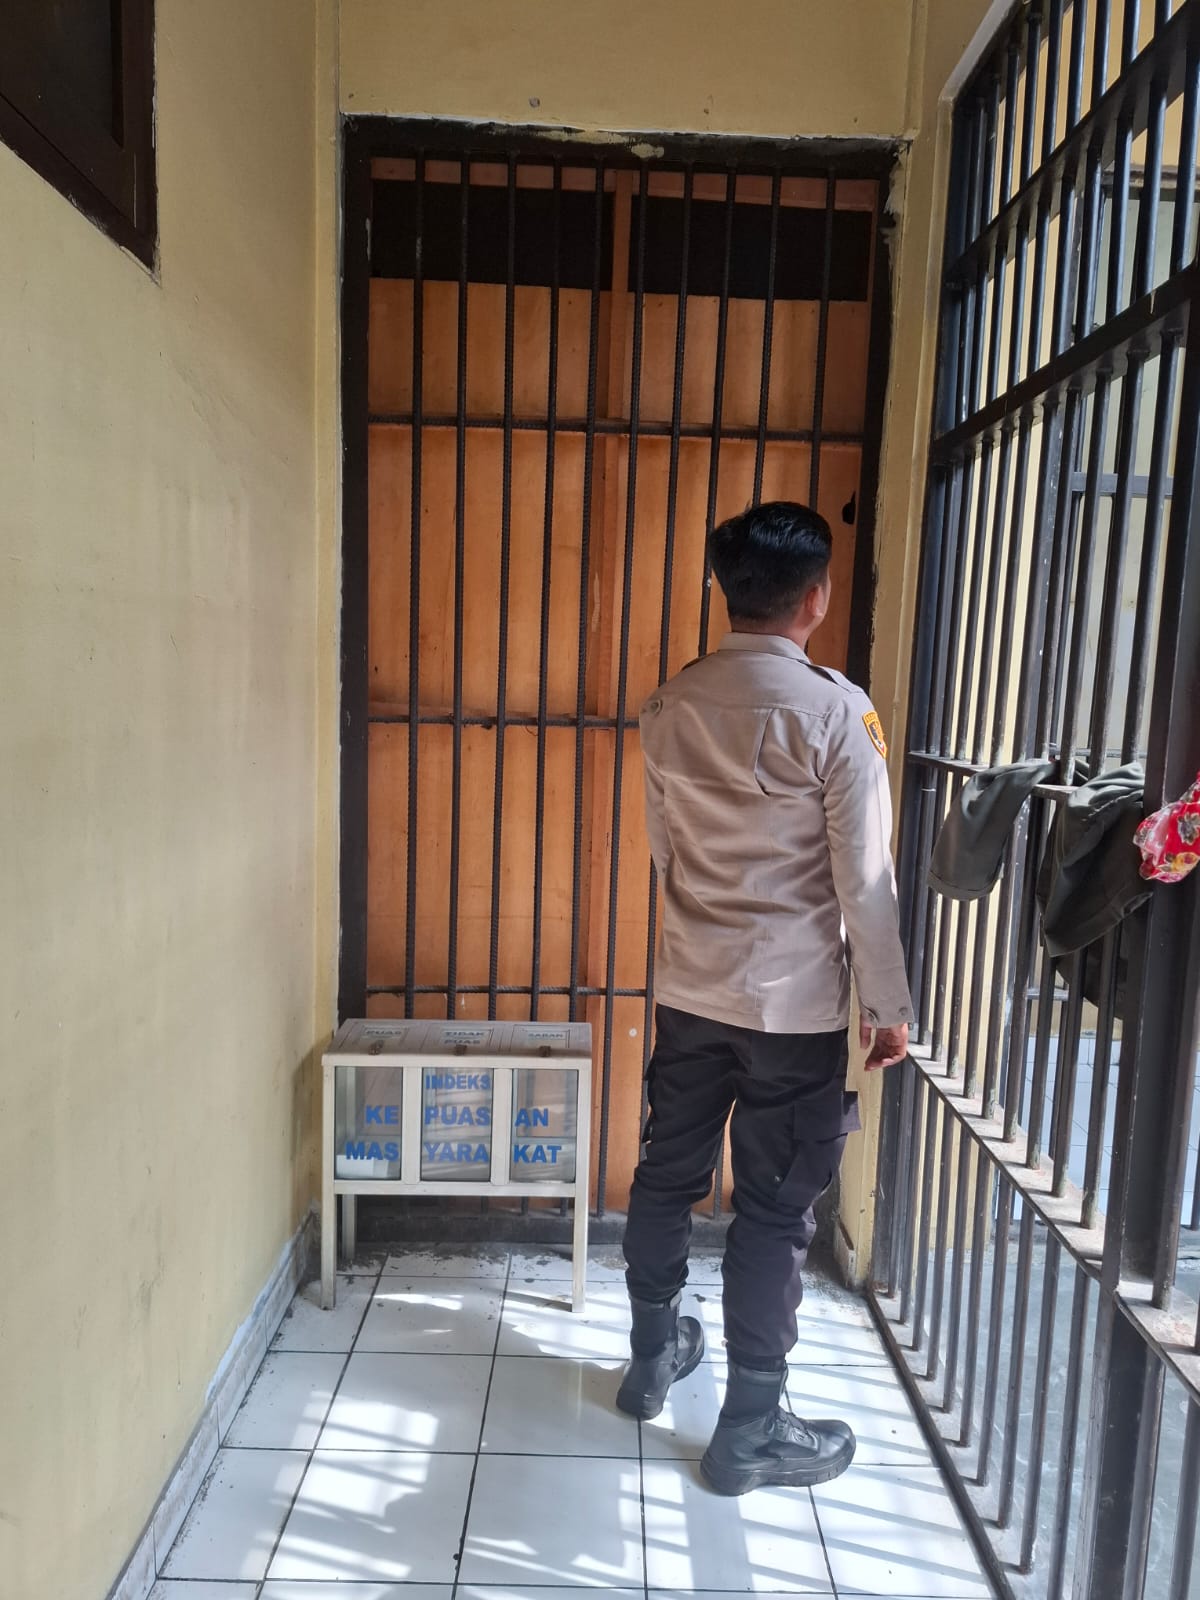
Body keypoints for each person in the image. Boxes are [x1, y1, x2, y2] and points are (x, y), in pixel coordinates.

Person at [616, 501, 913, 1497]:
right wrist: (887, 1003)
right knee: (775, 1214)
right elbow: (865, 880)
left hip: (691, 990)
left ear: (725, 590)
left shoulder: (669, 705)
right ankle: (748, 1429)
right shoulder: (837, 714)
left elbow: (666, 852)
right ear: (815, 598)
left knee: (666, 1175)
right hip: (795, 1009)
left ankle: (651, 1359)